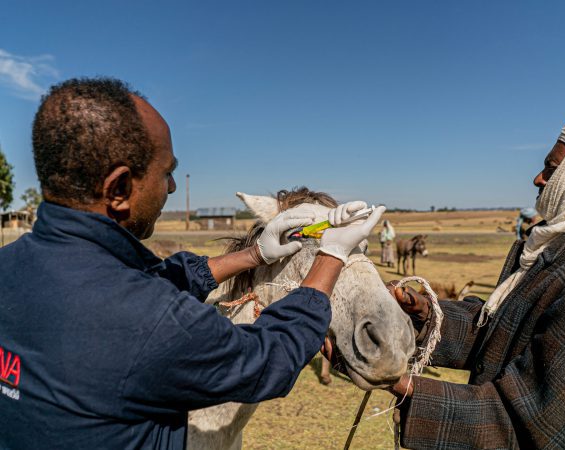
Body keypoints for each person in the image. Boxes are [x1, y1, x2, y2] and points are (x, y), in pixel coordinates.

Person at [0, 77, 385, 449]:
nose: (170, 186)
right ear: (118, 189)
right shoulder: (153, 322)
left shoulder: (13, 267)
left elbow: (151, 281)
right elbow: (268, 360)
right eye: (166, 172)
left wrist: (254, 255)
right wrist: (331, 255)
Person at [386, 104, 565, 448]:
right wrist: (426, 315)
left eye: (551, 168)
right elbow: (502, 332)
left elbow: (522, 425)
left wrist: (396, 383)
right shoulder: (562, 246)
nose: (537, 179)